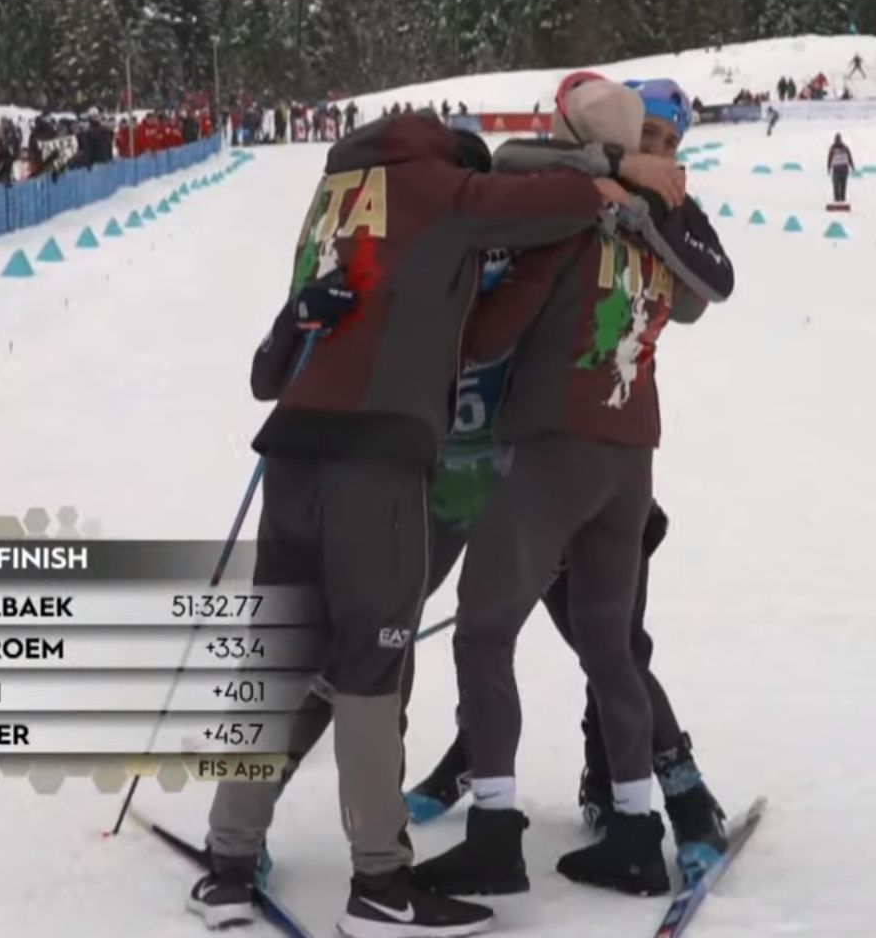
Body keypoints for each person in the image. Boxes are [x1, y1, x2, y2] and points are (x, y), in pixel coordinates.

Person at [195, 111, 660, 938]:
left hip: (293, 462)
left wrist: (302, 317)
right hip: (375, 465)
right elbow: (556, 202)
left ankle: (227, 858)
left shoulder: (335, 193)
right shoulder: (437, 184)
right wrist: (617, 176)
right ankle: (380, 884)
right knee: (377, 670)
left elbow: (267, 373)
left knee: (280, 662)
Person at [404, 77, 734, 892]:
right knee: (608, 643)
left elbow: (492, 331)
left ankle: (493, 829)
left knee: (483, 631)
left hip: (554, 441)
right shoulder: (650, 225)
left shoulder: (570, 214)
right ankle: (632, 827)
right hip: (631, 452)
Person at [828, 133, 855, 204]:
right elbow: (829, 158)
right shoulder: (832, 148)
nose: (837, 141)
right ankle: (836, 199)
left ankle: (842, 199)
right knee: (836, 184)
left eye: (838, 139)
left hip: (844, 169)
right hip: (836, 169)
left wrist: (852, 166)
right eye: (836, 139)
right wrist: (828, 168)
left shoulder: (845, 148)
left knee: (843, 184)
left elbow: (849, 157)